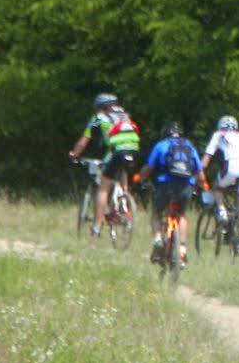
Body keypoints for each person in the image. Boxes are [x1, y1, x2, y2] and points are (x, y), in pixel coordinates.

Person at [68, 93, 143, 236]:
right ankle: (125, 207)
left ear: (99, 106)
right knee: (123, 182)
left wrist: (74, 153)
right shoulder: (125, 115)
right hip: (133, 151)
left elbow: (84, 140)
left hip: (115, 152)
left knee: (103, 187)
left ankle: (96, 226)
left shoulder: (99, 118)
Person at [137, 122, 207, 262]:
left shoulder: (161, 145)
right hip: (186, 186)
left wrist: (139, 177)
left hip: (166, 185)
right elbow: (200, 174)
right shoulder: (189, 146)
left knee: (157, 213)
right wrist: (203, 186)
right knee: (181, 215)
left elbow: (149, 168)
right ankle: (182, 248)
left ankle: (157, 238)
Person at [203, 116, 239, 229]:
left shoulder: (219, 134)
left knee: (217, 187)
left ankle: (222, 211)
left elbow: (207, 157)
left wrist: (199, 171)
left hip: (231, 167)